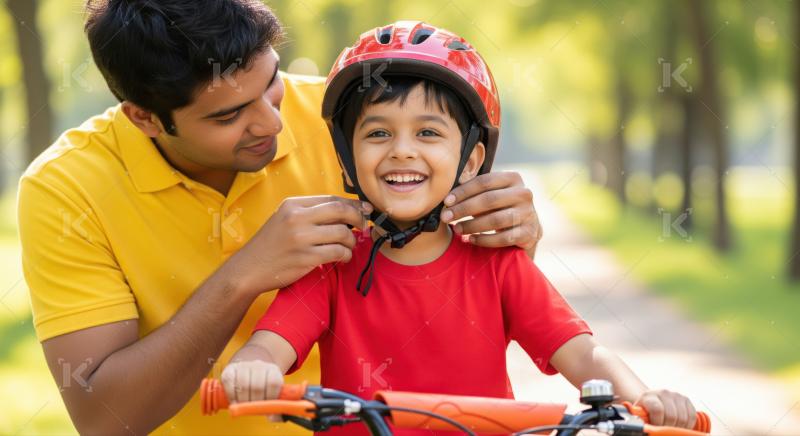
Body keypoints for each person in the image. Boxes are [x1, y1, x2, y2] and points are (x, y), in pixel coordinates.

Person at [17, 2, 542, 435]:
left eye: (271, 83)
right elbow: (107, 419)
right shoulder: (65, 189)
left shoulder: (357, 123)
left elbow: (460, 296)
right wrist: (244, 275)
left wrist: (512, 237)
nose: (270, 121)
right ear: (145, 118)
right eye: (228, 115)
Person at [221, 21, 698, 436]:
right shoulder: (333, 265)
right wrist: (252, 369)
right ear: (347, 156)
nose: (402, 150)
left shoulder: (499, 265)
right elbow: (268, 345)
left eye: (428, 133)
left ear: (471, 159)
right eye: (378, 133)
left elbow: (586, 355)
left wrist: (644, 397)